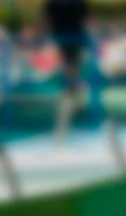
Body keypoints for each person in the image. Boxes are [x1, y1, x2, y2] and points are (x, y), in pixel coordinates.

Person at [43, 0, 90, 141]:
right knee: (72, 78)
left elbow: (48, 20)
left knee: (72, 77)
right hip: (72, 40)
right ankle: (74, 96)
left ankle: (74, 96)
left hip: (66, 40)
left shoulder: (54, 5)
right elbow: (86, 18)